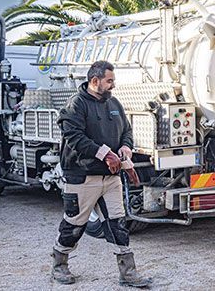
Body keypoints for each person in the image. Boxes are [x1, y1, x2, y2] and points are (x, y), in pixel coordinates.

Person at [50, 60, 151, 287]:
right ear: (95, 81)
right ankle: (59, 265)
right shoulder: (76, 105)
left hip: (111, 178)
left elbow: (126, 130)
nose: (113, 85)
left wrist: (125, 147)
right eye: (109, 81)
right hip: (82, 177)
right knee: (75, 225)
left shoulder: (113, 103)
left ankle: (128, 273)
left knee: (118, 224)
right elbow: (74, 137)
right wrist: (105, 153)